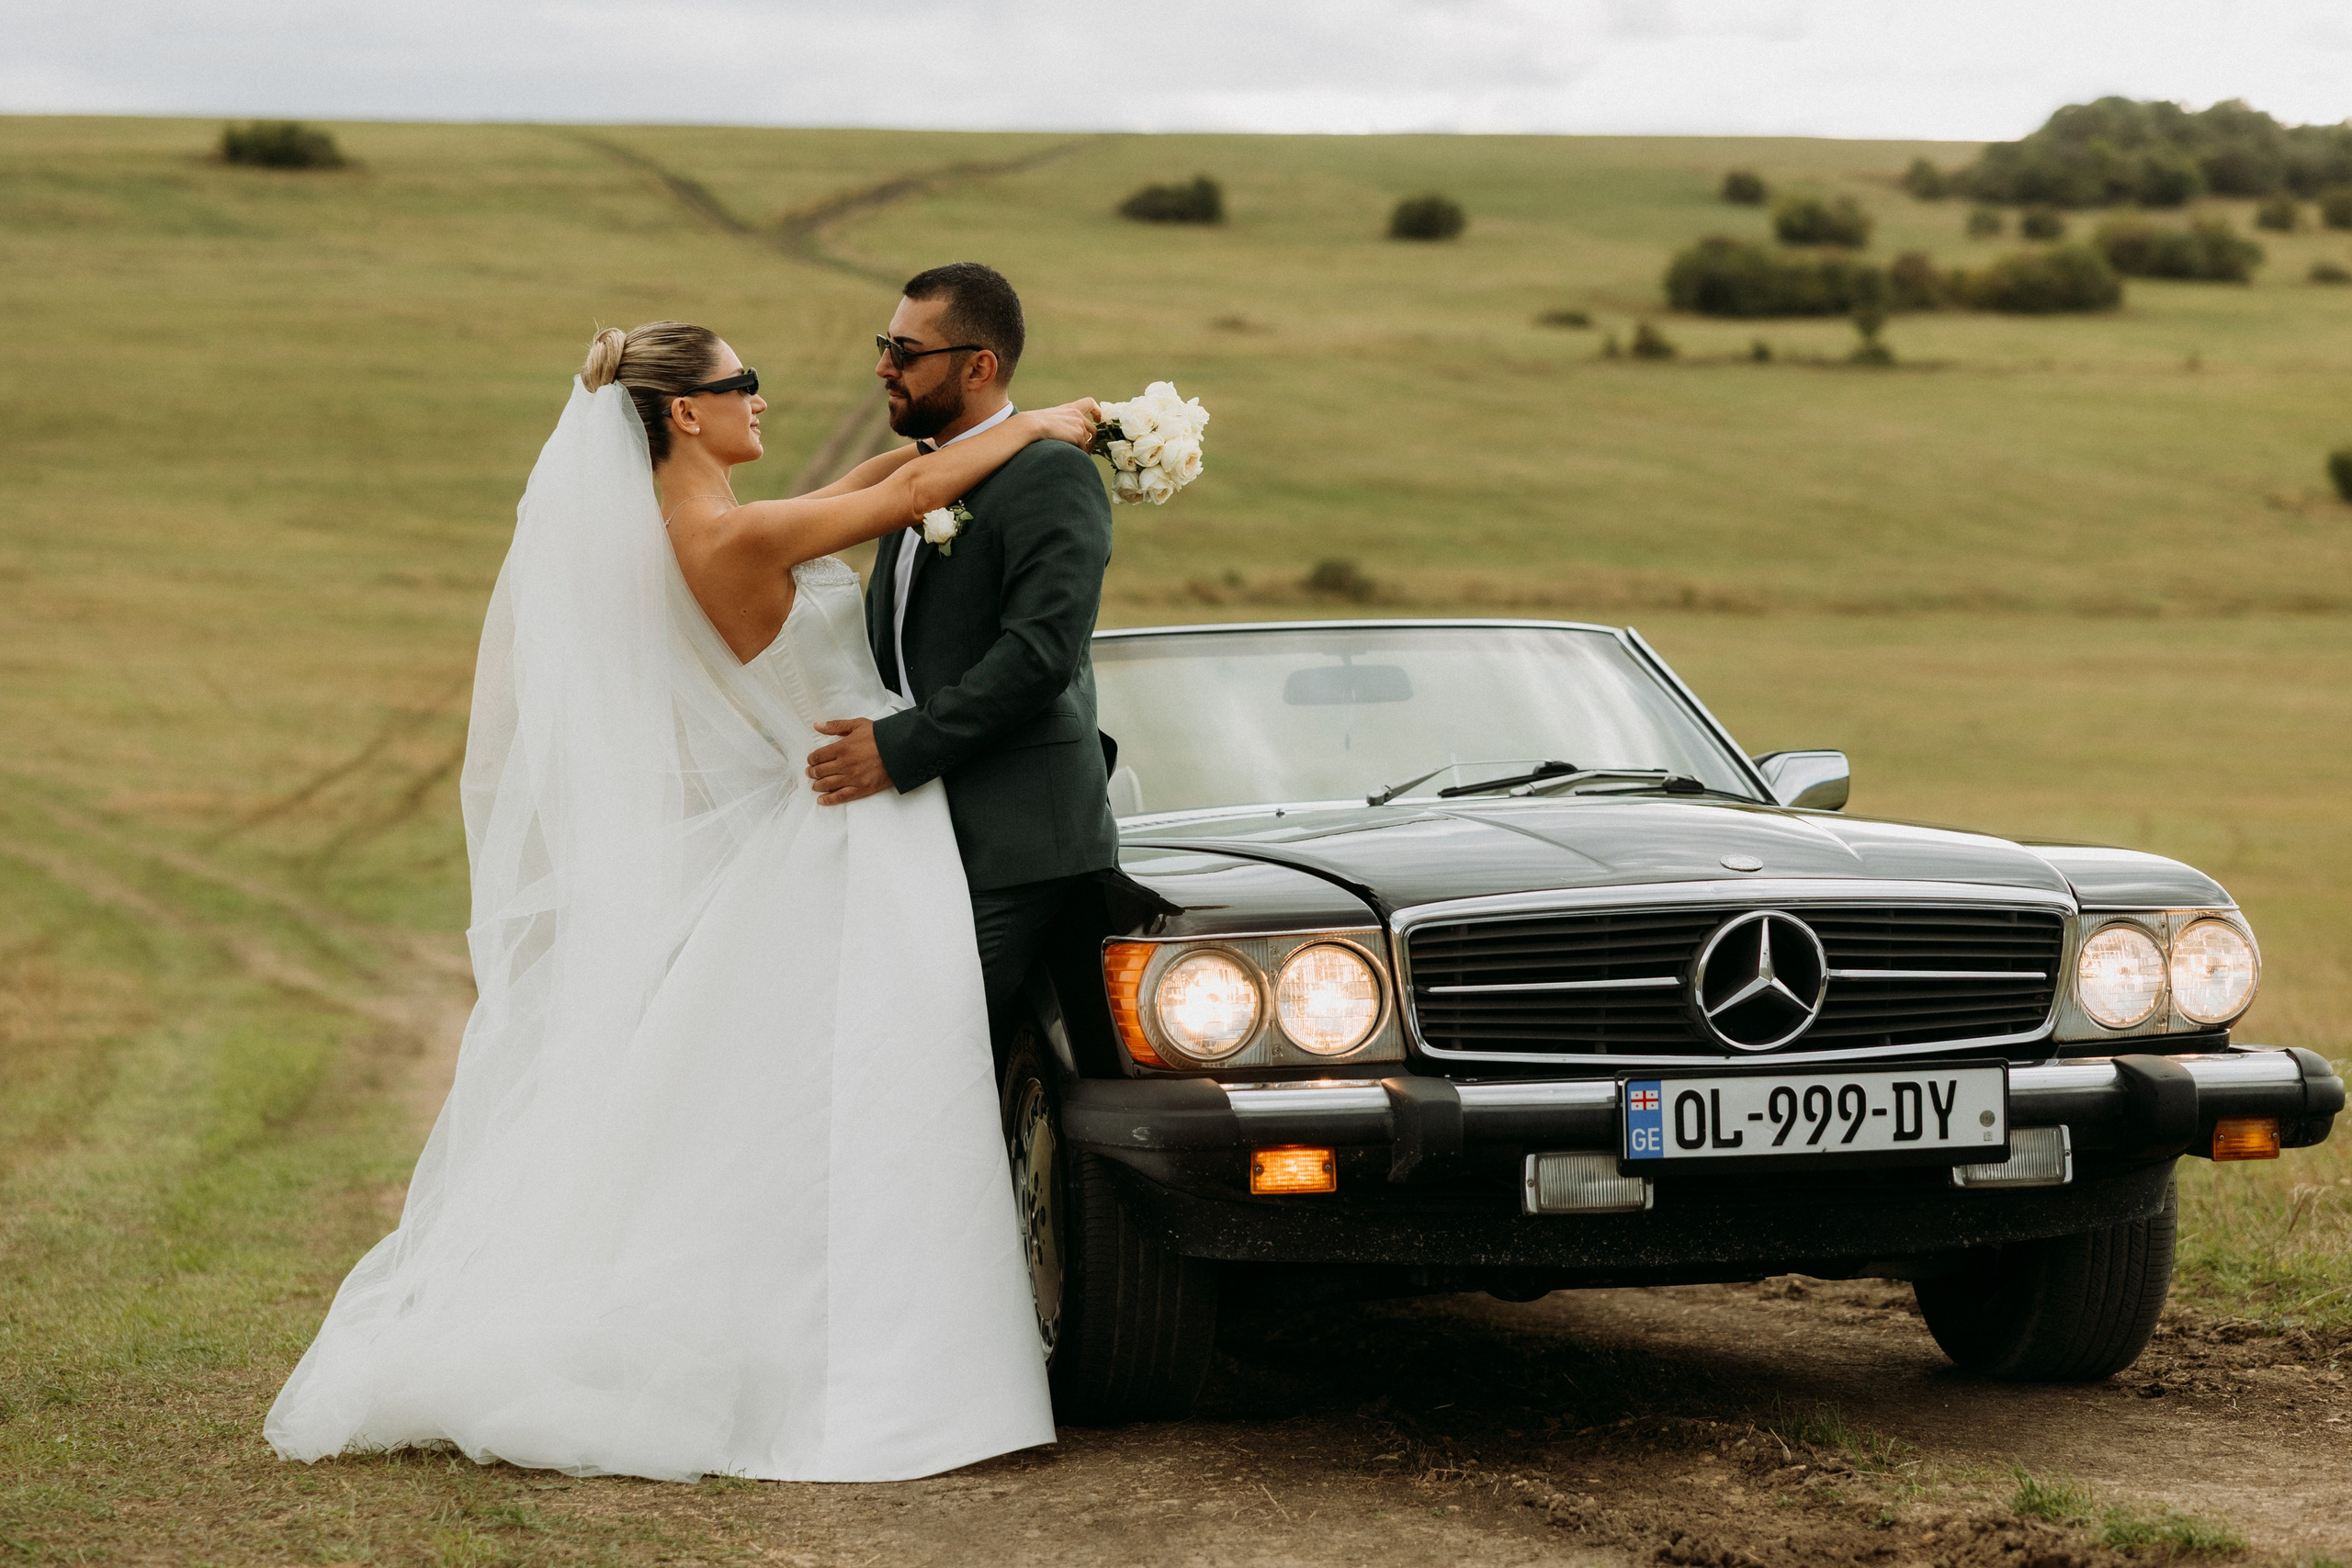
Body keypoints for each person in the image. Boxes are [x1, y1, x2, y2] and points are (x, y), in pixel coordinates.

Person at [264, 320, 1101, 1483]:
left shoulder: (705, 524)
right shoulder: (728, 535)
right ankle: (865, 1363)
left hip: (846, 826)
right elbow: (908, 484)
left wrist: (941, 462)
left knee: (814, 1104)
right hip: (850, 830)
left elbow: (867, 485)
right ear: (683, 414)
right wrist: (1041, 428)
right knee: (882, 1096)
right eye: (739, 383)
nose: (761, 396)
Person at [802, 263, 1122, 1022]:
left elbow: (1038, 656)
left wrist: (897, 747)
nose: (884, 365)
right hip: (919, 836)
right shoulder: (918, 479)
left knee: (919, 1043)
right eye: (886, 344)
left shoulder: (1050, 475)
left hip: (1017, 846)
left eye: (906, 352)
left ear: (979, 366)